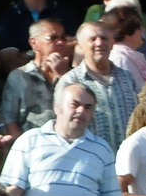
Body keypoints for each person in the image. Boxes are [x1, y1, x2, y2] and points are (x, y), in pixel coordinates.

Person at [56, 21, 140, 152]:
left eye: (104, 38)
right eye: (92, 39)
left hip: (130, 161)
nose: (99, 43)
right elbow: (63, 127)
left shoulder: (129, 78)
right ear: (80, 46)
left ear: (112, 43)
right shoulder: (70, 81)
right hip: (90, 160)